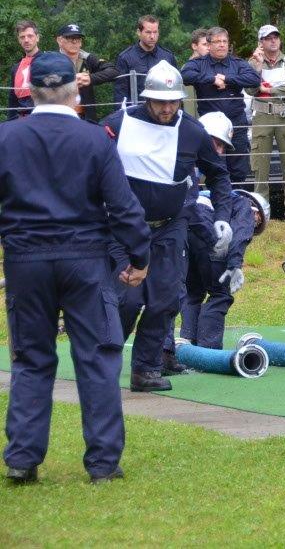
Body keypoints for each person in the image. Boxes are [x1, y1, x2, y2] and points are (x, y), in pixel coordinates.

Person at [1, 52, 150, 484]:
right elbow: (123, 208)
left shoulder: (6, 138)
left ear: (29, 91)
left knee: (31, 357)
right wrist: (139, 258)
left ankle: (22, 458)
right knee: (97, 356)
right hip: (85, 259)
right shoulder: (95, 140)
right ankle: (102, 463)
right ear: (75, 91)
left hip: (26, 259)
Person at [102, 60, 235, 391]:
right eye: (160, 102)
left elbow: (218, 174)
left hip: (170, 226)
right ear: (147, 98)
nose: (166, 109)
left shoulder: (192, 131)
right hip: (124, 228)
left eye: (173, 102)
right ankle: (103, 361)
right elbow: (89, 160)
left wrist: (222, 216)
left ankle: (146, 369)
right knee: (127, 299)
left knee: (166, 299)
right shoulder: (119, 124)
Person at [180, 184, 267, 349]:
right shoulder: (245, 204)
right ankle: (208, 350)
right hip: (209, 235)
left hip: (185, 232)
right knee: (219, 294)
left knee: (192, 293)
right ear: (257, 212)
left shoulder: (213, 197)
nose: (255, 224)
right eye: (258, 222)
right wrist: (234, 265)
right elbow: (240, 233)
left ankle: (187, 344)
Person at [180, 26, 262, 184]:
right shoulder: (198, 63)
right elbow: (185, 75)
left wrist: (227, 79)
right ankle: (216, 197)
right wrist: (212, 79)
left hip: (236, 122)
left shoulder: (237, 63)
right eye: (217, 41)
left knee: (239, 168)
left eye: (225, 41)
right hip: (210, 125)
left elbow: (254, 79)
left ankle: (235, 196)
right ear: (209, 44)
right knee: (213, 166)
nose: (222, 45)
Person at [248, 24, 285, 208]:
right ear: (260, 42)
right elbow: (249, 89)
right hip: (262, 115)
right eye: (268, 38)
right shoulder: (253, 63)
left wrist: (268, 89)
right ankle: (261, 208)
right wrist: (257, 68)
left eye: (276, 37)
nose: (273, 41)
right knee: (259, 163)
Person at [55, 23, 118, 122]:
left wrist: (90, 78)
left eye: (78, 38)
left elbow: (113, 71)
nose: (74, 42)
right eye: (70, 38)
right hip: (60, 116)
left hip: (87, 116)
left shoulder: (88, 58)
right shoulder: (51, 60)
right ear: (59, 40)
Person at [113, 15, 178, 108]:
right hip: (136, 112)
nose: (152, 36)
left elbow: (176, 88)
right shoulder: (125, 58)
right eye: (148, 32)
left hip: (164, 111)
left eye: (155, 32)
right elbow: (120, 95)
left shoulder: (168, 57)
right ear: (139, 32)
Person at [7, 19, 40, 120]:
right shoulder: (16, 68)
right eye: (22, 37)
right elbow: (12, 100)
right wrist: (10, 123)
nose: (26, 40)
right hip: (21, 120)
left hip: (42, 117)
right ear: (19, 40)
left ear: (37, 38)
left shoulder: (48, 62)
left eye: (30, 36)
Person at [182, 28, 210, 117]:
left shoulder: (210, 65)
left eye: (209, 44)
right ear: (194, 46)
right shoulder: (186, 69)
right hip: (194, 116)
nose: (208, 48)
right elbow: (189, 104)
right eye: (205, 44)